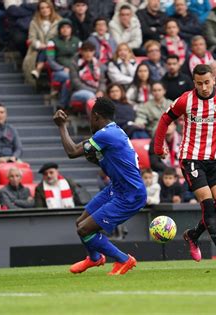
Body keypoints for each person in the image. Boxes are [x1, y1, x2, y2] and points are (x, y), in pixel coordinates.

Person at [153, 64, 216, 269]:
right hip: (191, 158)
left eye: (207, 82)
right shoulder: (185, 100)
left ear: (214, 80)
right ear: (194, 83)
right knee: (207, 205)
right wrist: (158, 146)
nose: (204, 87)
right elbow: (164, 119)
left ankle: (193, 235)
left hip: (214, 159)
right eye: (199, 83)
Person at [53, 97, 147, 275]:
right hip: (118, 188)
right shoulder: (113, 132)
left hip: (130, 194)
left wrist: (61, 125)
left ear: (95, 116)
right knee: (81, 223)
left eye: (89, 117)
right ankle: (95, 259)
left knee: (84, 229)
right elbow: (109, 161)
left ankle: (124, 259)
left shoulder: (106, 135)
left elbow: (72, 152)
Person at [24, 0, 61, 82]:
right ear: (39, 10)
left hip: (56, 49)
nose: (45, 10)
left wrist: (50, 45)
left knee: (48, 49)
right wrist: (39, 45)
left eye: (47, 7)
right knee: (45, 50)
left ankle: (38, 70)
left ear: (51, 8)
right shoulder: (34, 22)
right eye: (42, 8)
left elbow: (61, 37)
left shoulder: (59, 21)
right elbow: (31, 38)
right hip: (39, 49)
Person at [46, 18, 81, 107]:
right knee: (69, 78)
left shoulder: (78, 41)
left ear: (71, 29)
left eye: (68, 27)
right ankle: (63, 104)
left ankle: (65, 105)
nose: (65, 30)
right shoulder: (52, 42)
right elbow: (50, 60)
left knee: (71, 79)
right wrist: (61, 68)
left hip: (75, 70)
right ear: (59, 30)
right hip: (58, 71)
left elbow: (81, 57)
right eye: (63, 28)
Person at [69, 41, 106, 107]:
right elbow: (77, 84)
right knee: (91, 96)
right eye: (86, 51)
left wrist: (100, 91)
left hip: (97, 91)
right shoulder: (74, 63)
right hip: (78, 92)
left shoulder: (98, 64)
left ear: (94, 52)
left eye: (91, 51)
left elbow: (102, 81)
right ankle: (94, 117)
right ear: (81, 51)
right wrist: (95, 91)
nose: (88, 53)